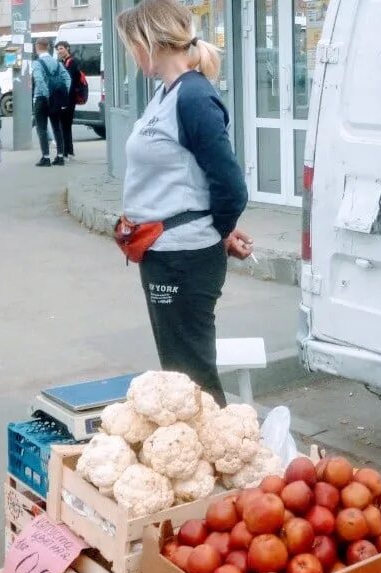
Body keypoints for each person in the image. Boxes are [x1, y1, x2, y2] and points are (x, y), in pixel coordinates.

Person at [116, 0, 252, 407]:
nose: (131, 54)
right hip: (163, 250)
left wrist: (215, 229)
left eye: (132, 44)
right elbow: (185, 178)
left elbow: (230, 186)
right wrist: (219, 230)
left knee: (191, 381)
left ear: (150, 42)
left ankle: (222, 460)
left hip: (183, 257)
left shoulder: (193, 98)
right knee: (181, 375)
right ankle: (210, 459)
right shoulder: (166, 93)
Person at [32, 38, 71, 167]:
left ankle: (46, 157)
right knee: (57, 127)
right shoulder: (56, 62)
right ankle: (60, 157)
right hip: (56, 99)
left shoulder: (37, 63)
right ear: (48, 47)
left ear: (37, 47)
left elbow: (38, 79)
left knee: (41, 128)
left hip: (42, 99)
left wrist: (46, 94)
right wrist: (62, 94)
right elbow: (67, 79)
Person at [56, 41, 80, 160]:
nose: (59, 51)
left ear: (67, 48)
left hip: (69, 99)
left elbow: (68, 80)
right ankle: (69, 151)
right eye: (58, 49)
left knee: (64, 125)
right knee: (65, 126)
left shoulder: (72, 62)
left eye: (61, 49)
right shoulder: (64, 62)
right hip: (66, 99)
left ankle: (66, 153)